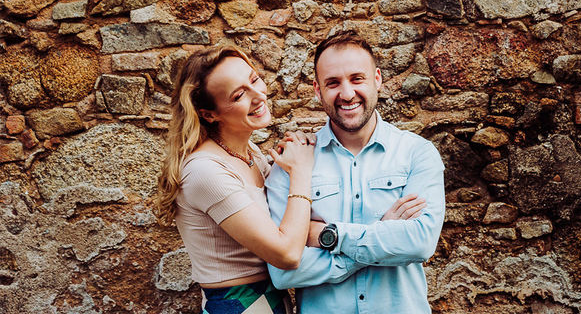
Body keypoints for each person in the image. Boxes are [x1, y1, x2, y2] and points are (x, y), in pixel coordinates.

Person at [264, 32, 446, 313]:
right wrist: (382, 234)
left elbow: (420, 244)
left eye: (357, 78)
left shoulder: (416, 154)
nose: (347, 94)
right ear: (317, 89)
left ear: (377, 80)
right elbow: (284, 273)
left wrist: (330, 236)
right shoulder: (292, 164)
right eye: (333, 83)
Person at [154, 44, 316, 314]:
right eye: (239, 95)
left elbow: (290, 225)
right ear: (209, 114)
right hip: (239, 304)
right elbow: (286, 254)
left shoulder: (250, 153)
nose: (258, 96)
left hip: (273, 299)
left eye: (254, 80)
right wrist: (300, 172)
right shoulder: (205, 170)